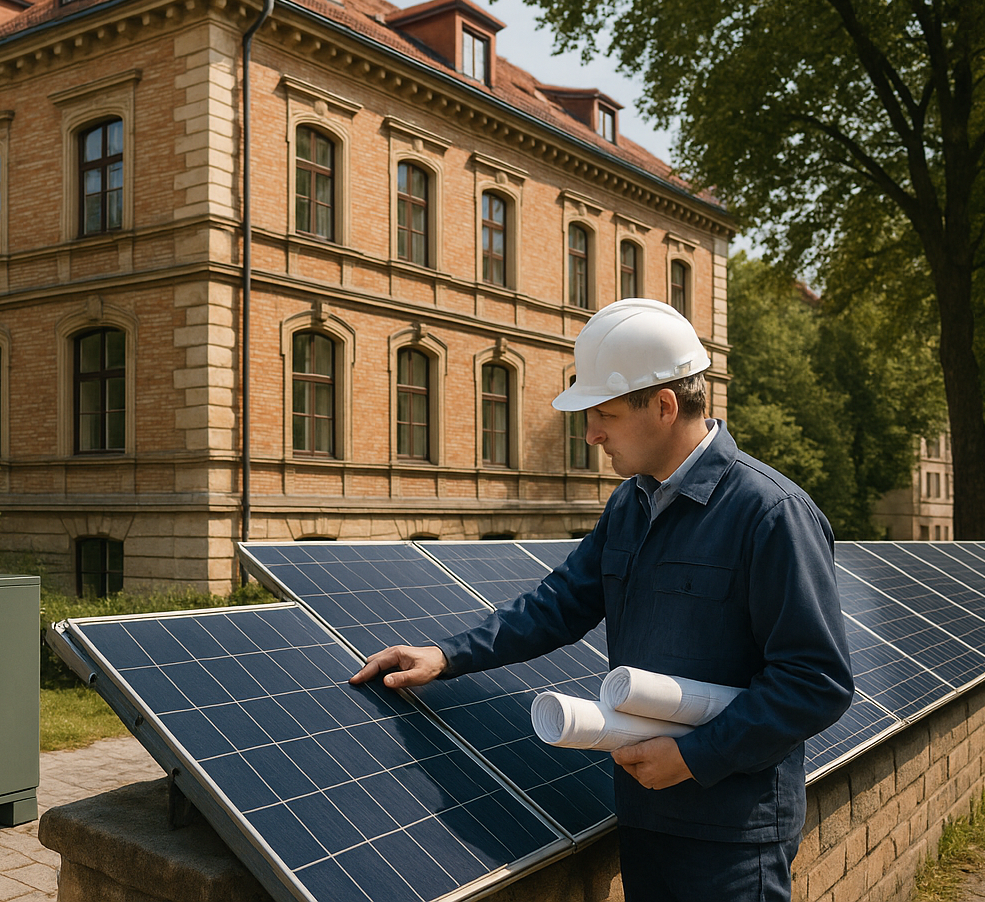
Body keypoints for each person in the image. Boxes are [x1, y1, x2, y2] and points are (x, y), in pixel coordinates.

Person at [350, 298, 853, 902]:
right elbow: (559, 603)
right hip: (646, 813)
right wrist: (447, 656)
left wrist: (694, 757)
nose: (590, 435)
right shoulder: (631, 504)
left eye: (605, 415)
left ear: (664, 406)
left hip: (731, 834)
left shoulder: (770, 514)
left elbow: (815, 681)